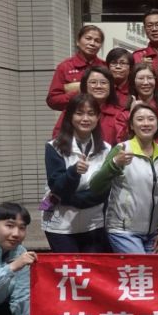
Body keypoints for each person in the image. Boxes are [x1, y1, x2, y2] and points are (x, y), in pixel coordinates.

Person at [90, 103, 158, 254]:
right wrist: (115, 164)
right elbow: (95, 186)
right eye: (140, 119)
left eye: (151, 119)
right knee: (140, 267)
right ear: (131, 125)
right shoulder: (122, 150)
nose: (146, 123)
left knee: (156, 269)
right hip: (123, 231)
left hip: (154, 233)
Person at [42, 94, 111, 253]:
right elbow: (57, 186)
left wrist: (67, 199)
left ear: (98, 117)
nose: (85, 118)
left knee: (91, 268)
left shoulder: (106, 149)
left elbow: (104, 190)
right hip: (60, 225)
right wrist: (73, 172)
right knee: (69, 268)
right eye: (79, 113)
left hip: (93, 224)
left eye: (91, 113)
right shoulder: (54, 147)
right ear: (70, 116)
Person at [52, 66, 122, 144]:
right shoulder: (72, 110)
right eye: (93, 82)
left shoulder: (120, 114)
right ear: (85, 85)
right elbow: (58, 139)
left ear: (111, 87)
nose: (98, 86)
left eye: (103, 82)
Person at [118, 62, 158, 145]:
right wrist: (131, 116)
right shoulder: (124, 115)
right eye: (141, 78)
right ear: (133, 83)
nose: (146, 82)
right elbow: (121, 143)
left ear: (155, 81)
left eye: (150, 78)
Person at [46, 25, 105, 111]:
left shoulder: (105, 67)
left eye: (97, 41)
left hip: (101, 116)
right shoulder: (65, 67)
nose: (92, 43)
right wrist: (78, 93)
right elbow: (52, 100)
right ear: (78, 41)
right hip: (73, 116)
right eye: (88, 38)